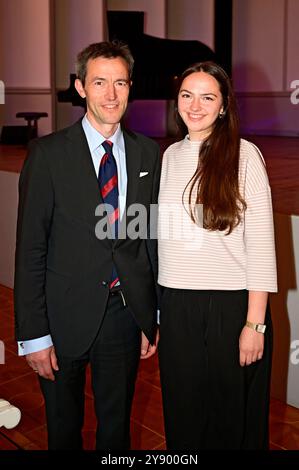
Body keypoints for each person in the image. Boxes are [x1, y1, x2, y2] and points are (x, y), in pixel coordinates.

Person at [14, 41, 161, 450]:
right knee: (63, 432)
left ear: (130, 87)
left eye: (120, 83)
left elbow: (147, 239)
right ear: (80, 87)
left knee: (116, 432)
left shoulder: (149, 152)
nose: (111, 94)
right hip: (61, 318)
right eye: (99, 83)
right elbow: (30, 251)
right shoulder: (47, 155)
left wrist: (151, 314)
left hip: (124, 316)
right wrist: (35, 335)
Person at [158, 61, 277, 450]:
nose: (195, 106)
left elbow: (260, 244)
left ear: (224, 106)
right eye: (186, 95)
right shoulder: (169, 156)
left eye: (207, 97)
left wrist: (254, 325)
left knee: (231, 422)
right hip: (177, 305)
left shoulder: (245, 155)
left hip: (231, 308)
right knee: (183, 414)